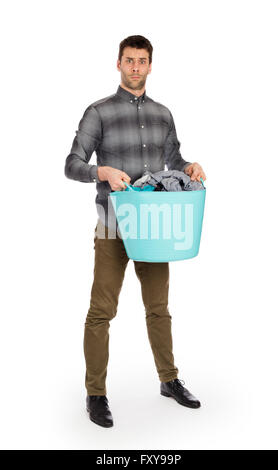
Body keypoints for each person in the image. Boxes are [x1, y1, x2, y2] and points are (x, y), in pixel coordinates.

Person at [65, 35, 206, 428]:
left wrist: (190, 165)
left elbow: (173, 158)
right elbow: (72, 163)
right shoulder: (98, 112)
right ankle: (95, 393)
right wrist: (101, 172)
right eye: (129, 60)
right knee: (101, 312)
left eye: (142, 61)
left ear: (150, 65)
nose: (135, 68)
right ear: (118, 63)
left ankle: (169, 380)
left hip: (155, 227)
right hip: (112, 226)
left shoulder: (163, 114)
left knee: (159, 309)